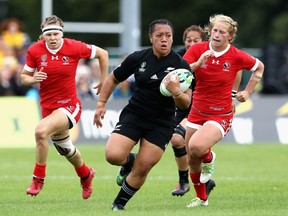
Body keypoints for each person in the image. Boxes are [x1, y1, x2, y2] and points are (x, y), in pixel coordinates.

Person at [94, 19, 192, 211]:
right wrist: (101, 104)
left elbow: (186, 103)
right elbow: (114, 78)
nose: (164, 40)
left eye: (168, 36)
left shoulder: (181, 66)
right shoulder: (138, 58)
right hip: (135, 115)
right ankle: (128, 162)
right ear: (151, 38)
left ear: (172, 39)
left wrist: (176, 92)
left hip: (162, 123)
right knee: (113, 155)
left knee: (144, 166)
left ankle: (119, 204)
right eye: (159, 36)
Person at [21, 15, 109, 199]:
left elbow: (103, 54)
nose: (52, 38)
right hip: (48, 108)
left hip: (70, 106)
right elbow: (24, 77)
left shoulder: (74, 46)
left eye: (55, 34)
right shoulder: (35, 51)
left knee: (40, 132)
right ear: (43, 35)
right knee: (67, 150)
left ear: (61, 34)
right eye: (49, 34)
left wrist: (103, 81)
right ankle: (86, 174)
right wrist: (32, 79)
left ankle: (38, 178)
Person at [182, 14, 264, 208]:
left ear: (230, 37)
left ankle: (210, 158)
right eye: (215, 31)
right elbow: (182, 72)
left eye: (222, 32)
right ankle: (202, 199)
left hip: (220, 114)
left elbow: (259, 68)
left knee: (196, 148)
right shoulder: (198, 50)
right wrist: (198, 62)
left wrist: (247, 91)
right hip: (196, 111)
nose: (217, 35)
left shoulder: (236, 55)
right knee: (191, 158)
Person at [171, 25, 242, 197]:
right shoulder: (180, 56)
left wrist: (232, 96)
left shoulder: (213, 53)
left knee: (179, 139)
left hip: (203, 107)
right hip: (182, 104)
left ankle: (185, 180)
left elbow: (237, 68)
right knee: (184, 146)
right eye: (188, 40)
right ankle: (200, 181)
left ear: (204, 41)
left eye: (196, 40)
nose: (191, 44)